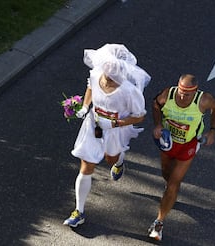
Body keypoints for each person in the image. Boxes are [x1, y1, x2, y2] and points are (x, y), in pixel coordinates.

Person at [63, 44, 151, 228]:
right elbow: (90, 88)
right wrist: (85, 107)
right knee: (86, 166)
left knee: (111, 158)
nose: (109, 79)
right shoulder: (96, 75)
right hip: (93, 125)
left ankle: (119, 162)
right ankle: (79, 211)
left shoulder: (129, 91)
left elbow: (140, 116)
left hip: (114, 129)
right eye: (107, 74)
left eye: (114, 76)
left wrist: (115, 123)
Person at [148, 74, 215, 241]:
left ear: (195, 93)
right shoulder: (168, 94)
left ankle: (158, 223)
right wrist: (158, 124)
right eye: (181, 91)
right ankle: (170, 194)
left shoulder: (204, 100)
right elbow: (155, 104)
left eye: (187, 94)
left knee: (174, 183)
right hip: (167, 143)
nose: (182, 96)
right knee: (166, 173)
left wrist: (213, 130)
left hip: (188, 146)